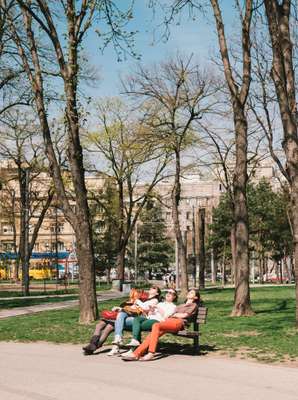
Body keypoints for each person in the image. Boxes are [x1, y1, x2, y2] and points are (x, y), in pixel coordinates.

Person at [122, 288, 200, 362]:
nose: (189, 293)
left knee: (156, 325)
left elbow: (184, 316)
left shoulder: (193, 305)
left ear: (195, 297)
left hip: (179, 323)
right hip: (168, 322)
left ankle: (151, 353)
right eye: (189, 292)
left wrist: (175, 314)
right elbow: (169, 315)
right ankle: (136, 354)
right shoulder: (181, 305)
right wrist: (174, 314)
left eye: (192, 292)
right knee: (153, 334)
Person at [82, 285, 160, 356]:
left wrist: (137, 300)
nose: (151, 288)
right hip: (128, 316)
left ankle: (105, 344)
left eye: (154, 288)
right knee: (102, 324)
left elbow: (144, 308)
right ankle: (94, 345)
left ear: (157, 293)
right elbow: (132, 308)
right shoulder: (144, 299)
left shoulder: (154, 301)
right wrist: (120, 308)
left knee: (111, 324)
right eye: (151, 287)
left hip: (138, 319)